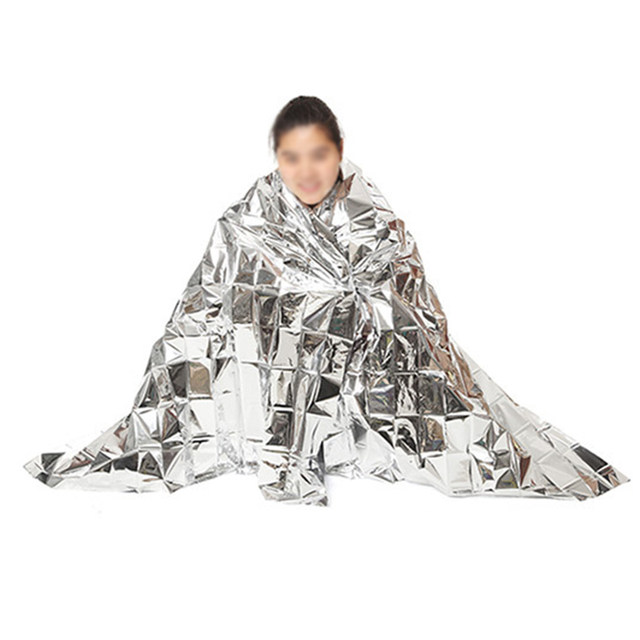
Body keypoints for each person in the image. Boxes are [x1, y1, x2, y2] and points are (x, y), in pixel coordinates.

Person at [23, 96, 630, 506]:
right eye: (291, 157)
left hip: (368, 367)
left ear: (340, 150)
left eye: (318, 155)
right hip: (268, 359)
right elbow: (207, 301)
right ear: (276, 158)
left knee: (363, 320)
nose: (306, 171)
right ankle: (277, 440)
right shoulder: (247, 222)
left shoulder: (379, 224)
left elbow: (416, 312)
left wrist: (338, 303)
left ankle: (342, 438)